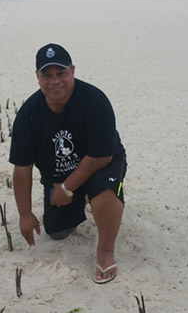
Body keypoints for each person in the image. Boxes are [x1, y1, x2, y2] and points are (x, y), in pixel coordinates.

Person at [9, 43, 127, 284]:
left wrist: (66, 188)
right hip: (60, 174)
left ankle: (105, 251)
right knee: (57, 231)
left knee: (104, 193)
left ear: (72, 70)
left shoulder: (95, 100)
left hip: (103, 162)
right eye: (47, 75)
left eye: (61, 73)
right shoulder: (28, 114)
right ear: (37, 77)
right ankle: (83, 194)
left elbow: (100, 157)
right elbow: (22, 168)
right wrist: (24, 213)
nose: (55, 81)